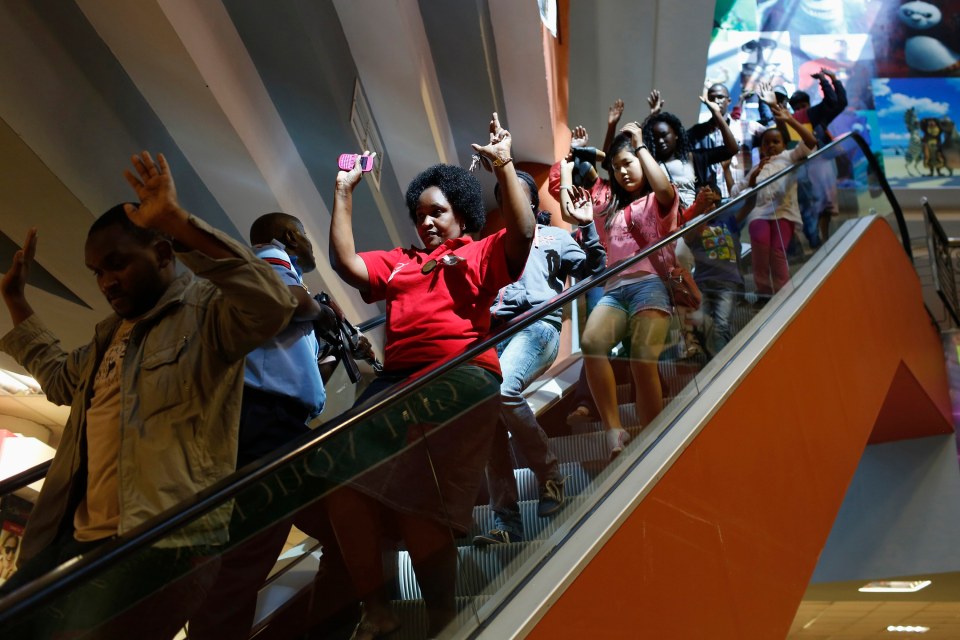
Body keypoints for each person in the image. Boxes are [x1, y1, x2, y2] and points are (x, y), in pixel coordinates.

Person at [0, 152, 296, 639]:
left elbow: (273, 301)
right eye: (97, 271)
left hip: (161, 542)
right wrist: (17, 303)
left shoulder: (204, 314)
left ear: (162, 254)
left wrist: (179, 223)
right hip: (75, 539)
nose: (106, 281)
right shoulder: (106, 335)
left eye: (117, 264)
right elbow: (58, 380)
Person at [326, 113, 534, 639]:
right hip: (397, 381)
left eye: (438, 212)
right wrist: (343, 191)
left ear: (462, 216)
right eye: (420, 215)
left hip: (460, 374)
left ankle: (445, 615)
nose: (427, 223)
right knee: (340, 482)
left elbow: (524, 232)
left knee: (417, 492)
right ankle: (378, 609)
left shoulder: (478, 252)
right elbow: (347, 263)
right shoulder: (400, 262)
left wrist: (505, 166)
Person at [188, 212, 342, 640]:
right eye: (306, 235)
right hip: (267, 422)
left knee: (340, 521)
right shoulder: (270, 259)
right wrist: (322, 314)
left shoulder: (256, 274)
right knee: (247, 557)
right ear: (291, 236)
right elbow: (288, 301)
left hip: (272, 421)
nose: (308, 243)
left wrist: (327, 358)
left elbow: (289, 371)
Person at [474, 171, 606, 547]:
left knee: (503, 390)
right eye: (505, 195)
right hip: (491, 337)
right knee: (487, 419)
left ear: (532, 202)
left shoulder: (554, 237)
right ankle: (507, 523)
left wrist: (587, 226)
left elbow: (595, 271)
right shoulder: (491, 244)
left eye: (518, 193)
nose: (511, 200)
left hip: (536, 328)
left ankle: (550, 476)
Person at [560, 123, 679, 459]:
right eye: (616, 167)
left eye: (628, 163)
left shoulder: (658, 199)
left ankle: (654, 440)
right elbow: (571, 209)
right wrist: (569, 167)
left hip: (651, 285)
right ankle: (615, 430)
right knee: (592, 343)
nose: (623, 171)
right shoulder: (609, 205)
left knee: (642, 358)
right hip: (615, 289)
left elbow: (666, 190)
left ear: (642, 160)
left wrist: (640, 146)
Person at [734, 104, 819, 301]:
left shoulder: (790, 157)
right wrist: (754, 175)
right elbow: (738, 190)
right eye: (767, 143)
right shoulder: (758, 166)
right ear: (762, 147)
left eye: (776, 141)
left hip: (784, 212)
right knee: (760, 252)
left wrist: (789, 120)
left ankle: (783, 294)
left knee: (777, 251)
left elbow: (811, 141)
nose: (771, 145)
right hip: (759, 214)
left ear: (783, 144)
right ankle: (763, 293)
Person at [788, 69, 847, 246]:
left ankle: (824, 237)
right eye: (796, 107)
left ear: (808, 104)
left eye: (803, 106)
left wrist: (828, 79)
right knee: (810, 204)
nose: (800, 110)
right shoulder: (792, 121)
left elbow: (838, 102)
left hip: (823, 166)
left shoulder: (816, 115)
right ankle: (815, 239)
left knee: (826, 205)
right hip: (802, 168)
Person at [687, 83, 771, 199]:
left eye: (720, 97)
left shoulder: (747, 127)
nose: (716, 101)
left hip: (742, 197)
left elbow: (777, 140)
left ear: (729, 101)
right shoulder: (697, 133)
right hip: (711, 203)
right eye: (712, 98)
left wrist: (773, 106)